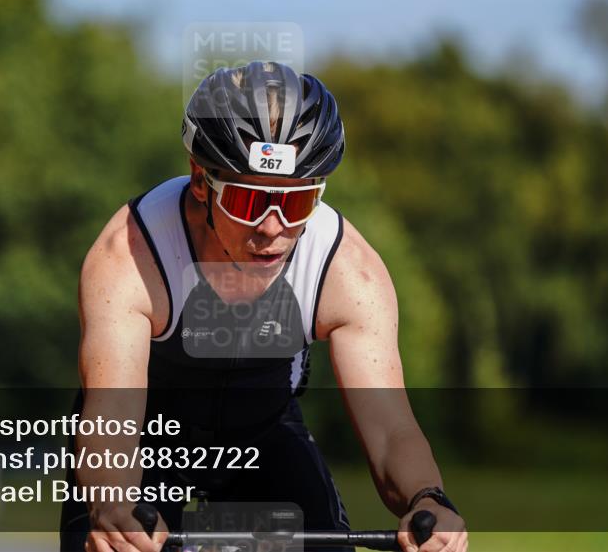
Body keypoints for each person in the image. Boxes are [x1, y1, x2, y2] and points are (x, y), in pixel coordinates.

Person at [61, 61, 468, 552]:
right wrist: (112, 506)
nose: (273, 228)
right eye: (250, 203)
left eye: (297, 204)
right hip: (148, 440)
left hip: (265, 432)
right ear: (200, 180)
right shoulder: (130, 256)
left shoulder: (346, 270)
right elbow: (112, 416)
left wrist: (428, 498)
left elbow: (391, 431)